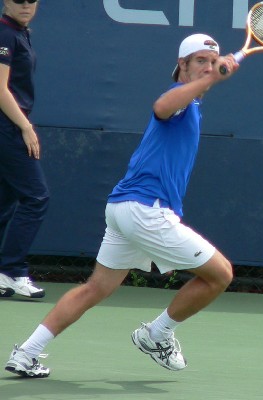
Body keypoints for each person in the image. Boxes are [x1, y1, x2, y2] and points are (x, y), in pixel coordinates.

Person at [5, 33, 239, 378]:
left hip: (123, 208)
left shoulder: (193, 106)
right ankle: (156, 334)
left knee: (96, 288)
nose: (207, 66)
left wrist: (207, 80)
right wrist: (211, 78)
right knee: (221, 275)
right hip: (145, 210)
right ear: (182, 66)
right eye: (199, 61)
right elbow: (161, 106)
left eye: (211, 60)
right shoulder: (179, 103)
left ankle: (26, 352)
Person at [0, 0, 49, 299]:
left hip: (8, 126)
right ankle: (12, 270)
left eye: (31, 0)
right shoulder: (5, 34)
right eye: (18, 0)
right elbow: (0, 89)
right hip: (6, 127)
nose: (26, 5)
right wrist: (25, 127)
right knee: (36, 196)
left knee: (5, 201)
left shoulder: (20, 33)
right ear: (6, 1)